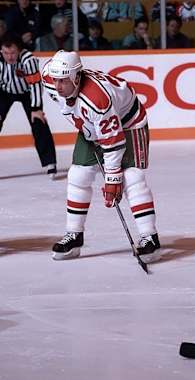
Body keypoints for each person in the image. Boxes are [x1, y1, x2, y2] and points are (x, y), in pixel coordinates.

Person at [41, 50, 161, 260]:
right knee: (78, 175)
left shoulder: (96, 99)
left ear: (77, 77)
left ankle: (150, 237)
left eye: (63, 81)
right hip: (91, 125)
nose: (58, 87)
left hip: (128, 124)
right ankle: (74, 235)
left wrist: (112, 179)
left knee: (131, 178)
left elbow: (113, 142)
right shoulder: (49, 78)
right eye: (55, 80)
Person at [0, 33, 57, 177]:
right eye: (6, 53)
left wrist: (36, 108)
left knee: (38, 122)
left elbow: (36, 84)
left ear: (19, 50)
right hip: (4, 92)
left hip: (27, 92)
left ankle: (50, 162)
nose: (10, 57)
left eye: (13, 53)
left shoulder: (28, 59)